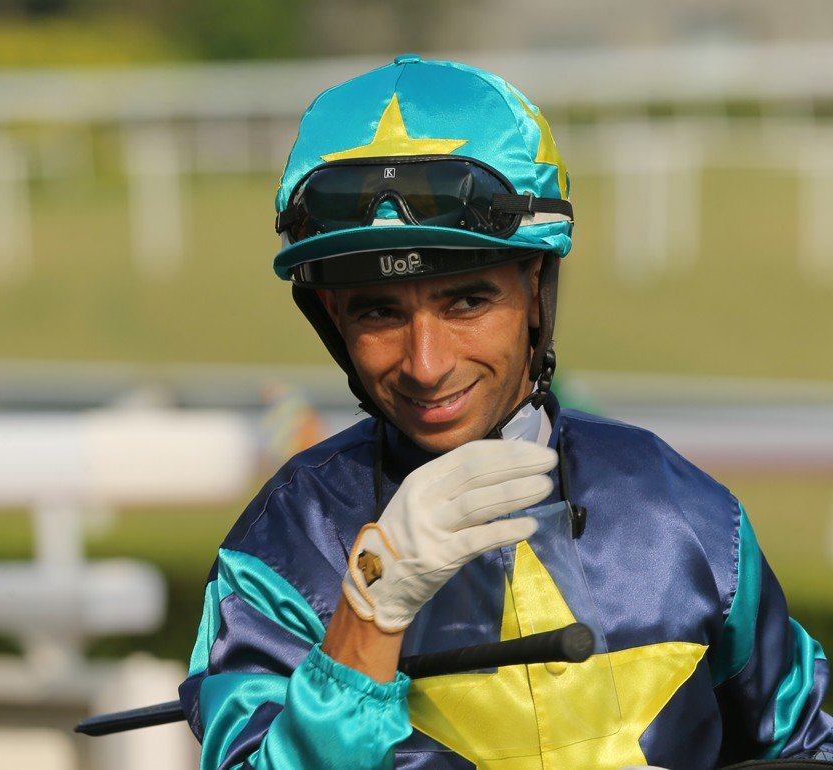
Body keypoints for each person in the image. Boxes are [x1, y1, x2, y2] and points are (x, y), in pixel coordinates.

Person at [178, 55, 833, 769]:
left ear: (536, 287)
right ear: (331, 316)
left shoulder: (688, 517)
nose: (426, 364)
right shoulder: (277, 555)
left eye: (466, 301)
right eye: (378, 311)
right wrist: (365, 621)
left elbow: (803, 747)